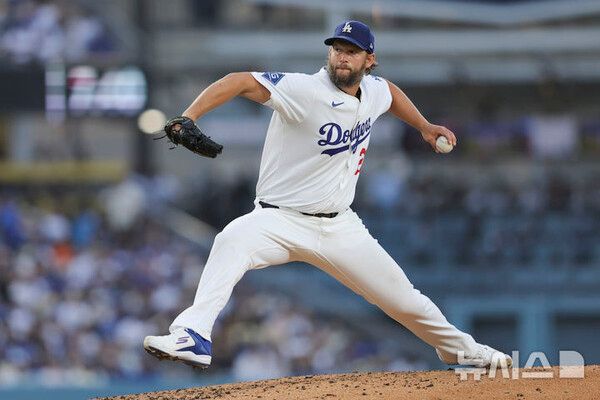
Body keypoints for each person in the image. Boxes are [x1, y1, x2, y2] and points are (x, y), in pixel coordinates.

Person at [144, 21, 512, 370]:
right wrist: (188, 116)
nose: (342, 57)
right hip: (278, 219)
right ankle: (192, 335)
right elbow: (238, 81)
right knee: (230, 240)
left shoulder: (373, 91)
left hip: (340, 227)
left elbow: (390, 94)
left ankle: (459, 349)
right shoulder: (304, 90)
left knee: (403, 298)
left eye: (352, 51)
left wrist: (424, 126)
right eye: (337, 49)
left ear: (369, 60)